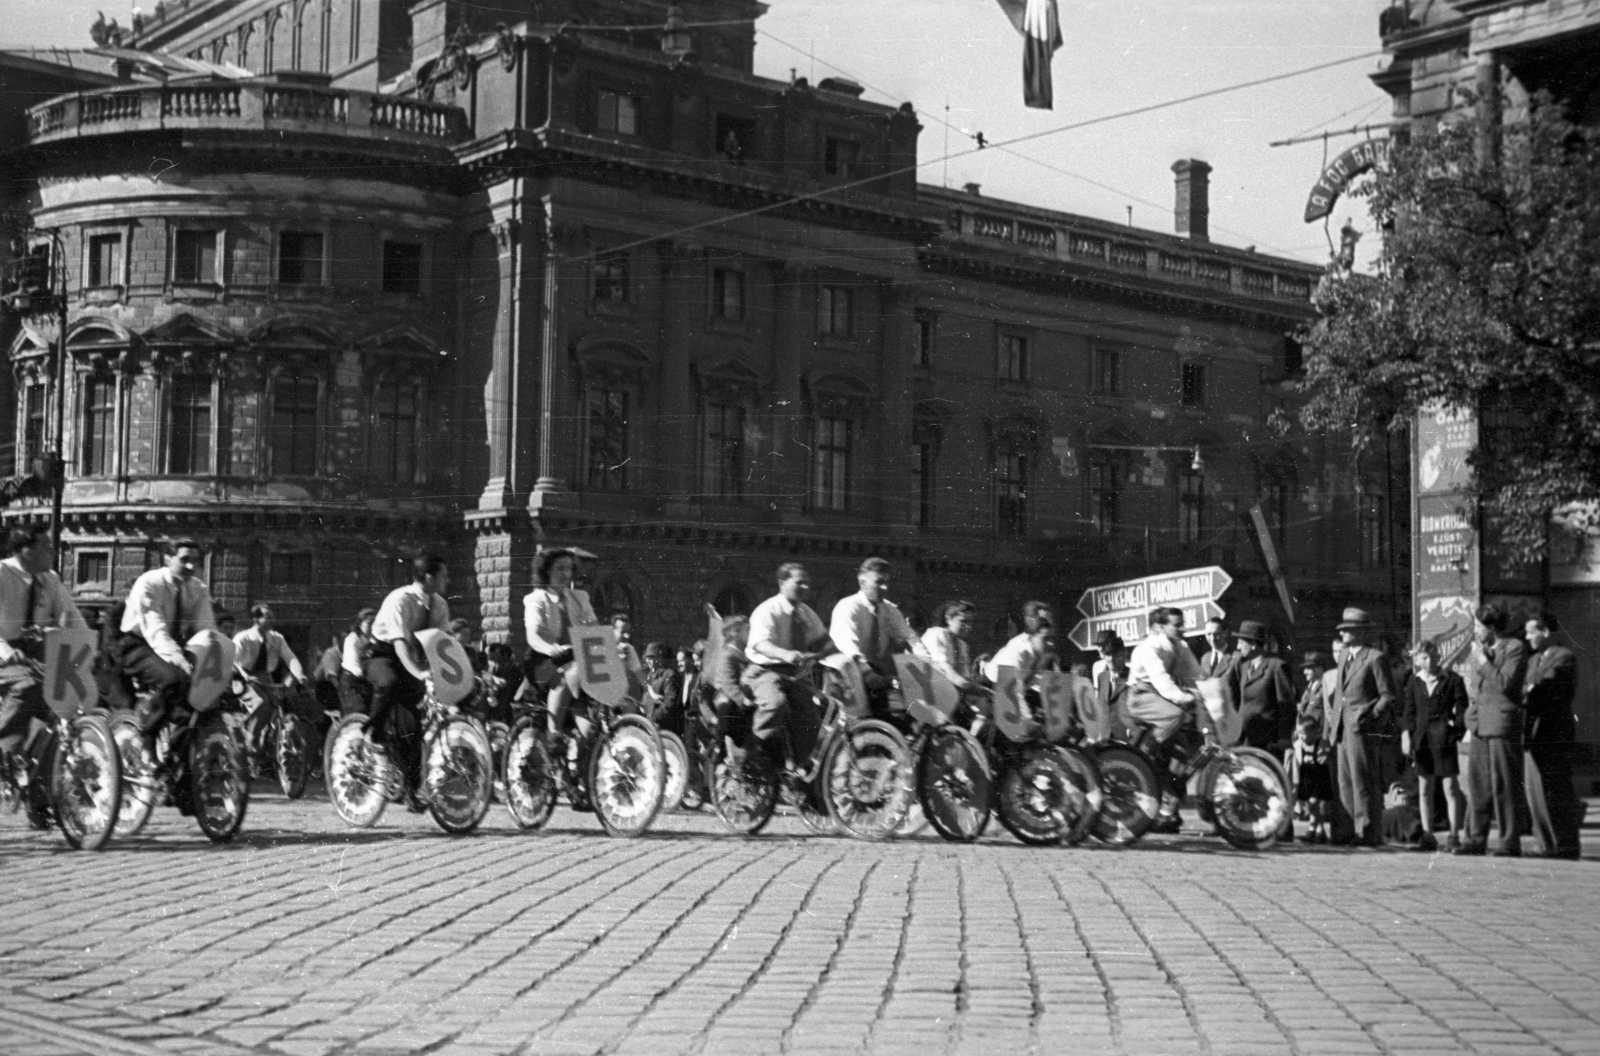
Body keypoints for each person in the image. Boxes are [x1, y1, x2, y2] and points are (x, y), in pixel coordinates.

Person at [0, 526, 87, 825]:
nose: (53, 551)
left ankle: (38, 800)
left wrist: (89, 646)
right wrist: (6, 652)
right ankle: (5, 745)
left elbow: (72, 615)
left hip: (35, 649)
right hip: (4, 651)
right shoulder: (1, 574)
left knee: (60, 709)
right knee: (25, 686)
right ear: (25, 550)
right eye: (47, 547)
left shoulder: (50, 580)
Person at [367, 553, 451, 807]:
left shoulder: (439, 605)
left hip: (412, 660)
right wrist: (418, 673)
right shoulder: (399, 599)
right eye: (444, 575)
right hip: (382, 654)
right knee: (389, 683)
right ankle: (373, 734)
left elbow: (442, 643)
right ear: (429, 577)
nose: (448, 580)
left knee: (412, 726)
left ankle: (411, 791)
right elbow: (400, 643)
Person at [120, 537, 218, 736]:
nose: (191, 566)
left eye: (196, 561)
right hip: (137, 644)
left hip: (174, 644)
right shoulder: (149, 583)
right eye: (184, 559)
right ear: (167, 559)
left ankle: (182, 737)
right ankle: (145, 736)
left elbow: (207, 631)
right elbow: (156, 631)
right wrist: (181, 660)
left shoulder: (198, 588)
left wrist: (220, 661)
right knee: (172, 680)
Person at [744, 563, 834, 768]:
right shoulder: (767, 610)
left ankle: (801, 773)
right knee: (776, 702)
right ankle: (751, 751)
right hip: (765, 671)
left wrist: (829, 653)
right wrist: (786, 654)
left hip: (796, 675)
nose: (805, 587)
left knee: (812, 720)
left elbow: (823, 640)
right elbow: (760, 643)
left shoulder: (806, 613)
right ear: (782, 583)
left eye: (807, 583)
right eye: (799, 582)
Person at [1460, 602, 1530, 857]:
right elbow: (1478, 690)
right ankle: (1474, 838)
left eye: (1478, 626)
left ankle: (1509, 841)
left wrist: (1482, 660)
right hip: (1480, 725)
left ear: (1491, 627)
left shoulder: (1515, 648)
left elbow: (1505, 684)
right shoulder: (1484, 649)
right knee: (1478, 785)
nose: (1475, 631)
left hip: (1501, 725)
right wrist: (1471, 716)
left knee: (1505, 785)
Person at [1125, 607, 1204, 832]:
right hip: (1141, 697)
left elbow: (1195, 674)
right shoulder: (1149, 648)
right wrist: (1185, 697)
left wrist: (1209, 689)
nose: (1182, 628)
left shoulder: (1180, 646)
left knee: (1182, 756)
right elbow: (1162, 682)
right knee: (1176, 716)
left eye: (1182, 623)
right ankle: (1146, 755)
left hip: (1162, 701)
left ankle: (1166, 814)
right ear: (1160, 627)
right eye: (1176, 624)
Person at [1327, 607, 1398, 847]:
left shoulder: (1374, 657)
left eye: (1349, 629)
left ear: (1362, 633)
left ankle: (1369, 832)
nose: (1344, 633)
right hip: (1340, 727)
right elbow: (1339, 693)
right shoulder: (1344, 655)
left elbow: (1388, 695)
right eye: (1344, 629)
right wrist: (1332, 723)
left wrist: (1369, 716)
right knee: (1344, 782)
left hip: (1361, 727)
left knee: (1363, 781)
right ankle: (1345, 831)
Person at [829, 556, 929, 719]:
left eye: (887, 582)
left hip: (873, 671)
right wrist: (867, 673)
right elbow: (848, 647)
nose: (885, 587)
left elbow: (911, 638)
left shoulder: (889, 609)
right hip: (846, 672)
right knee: (860, 720)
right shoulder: (848, 607)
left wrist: (927, 664)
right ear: (862, 583)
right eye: (879, 582)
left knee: (902, 713)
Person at [1523, 614, 1582, 859]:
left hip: (1554, 731)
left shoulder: (1563, 657)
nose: (1527, 638)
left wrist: (1530, 689)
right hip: (1534, 732)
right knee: (1536, 789)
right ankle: (1544, 842)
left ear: (1546, 632)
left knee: (1556, 787)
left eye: (1531, 632)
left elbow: (1545, 687)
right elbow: (1528, 688)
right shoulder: (1535, 659)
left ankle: (1564, 843)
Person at [1400, 639, 1467, 852]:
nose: (1430, 662)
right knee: (1425, 788)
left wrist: (1455, 731)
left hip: (1444, 740)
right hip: (1422, 741)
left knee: (1450, 787)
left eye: (1434, 656)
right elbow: (1409, 712)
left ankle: (1454, 836)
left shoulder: (1452, 679)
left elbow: (1463, 708)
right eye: (1424, 658)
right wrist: (1405, 735)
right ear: (1417, 660)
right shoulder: (1414, 681)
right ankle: (1428, 836)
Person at [523, 548, 597, 737]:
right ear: (546, 570)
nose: (566, 573)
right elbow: (533, 637)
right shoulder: (535, 599)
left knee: (589, 725)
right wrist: (550, 649)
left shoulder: (580, 598)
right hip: (544, 661)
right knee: (564, 680)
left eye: (569, 568)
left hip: (575, 660)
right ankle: (553, 734)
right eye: (559, 568)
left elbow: (594, 630)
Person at [233, 604, 316, 763]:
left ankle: (271, 746)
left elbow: (290, 657)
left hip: (265, 678)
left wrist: (299, 675)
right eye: (268, 617)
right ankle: (250, 738)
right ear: (256, 619)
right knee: (262, 703)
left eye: (273, 617)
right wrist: (245, 676)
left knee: (279, 706)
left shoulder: (276, 638)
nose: (272, 620)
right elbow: (233, 664)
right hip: (242, 679)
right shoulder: (242, 638)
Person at [1225, 620, 1293, 751]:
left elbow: (1286, 706)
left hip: (1267, 742)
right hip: (1244, 739)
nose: (1238, 647)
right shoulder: (1243, 667)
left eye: (1240, 642)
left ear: (1253, 644)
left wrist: (1284, 738)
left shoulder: (1276, 666)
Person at [922, 600, 986, 728]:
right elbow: (945, 669)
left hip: (947, 693)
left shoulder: (962, 645)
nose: (968, 626)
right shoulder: (935, 634)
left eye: (971, 622)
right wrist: (966, 684)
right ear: (948, 618)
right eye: (963, 621)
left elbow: (964, 676)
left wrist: (979, 686)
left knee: (981, 711)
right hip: (925, 690)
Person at [1292, 651, 1334, 844]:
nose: (1306, 672)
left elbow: (1322, 716)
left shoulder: (1322, 690)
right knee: (1309, 793)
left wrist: (1323, 739)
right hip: (1305, 744)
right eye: (1305, 669)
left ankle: (1316, 829)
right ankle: (1316, 829)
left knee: (1316, 794)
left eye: (1310, 668)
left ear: (1319, 669)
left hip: (1316, 744)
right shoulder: (1309, 689)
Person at [339, 608, 376, 716]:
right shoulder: (352, 640)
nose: (372, 627)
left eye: (374, 623)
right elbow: (356, 669)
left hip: (365, 682)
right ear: (359, 623)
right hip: (351, 684)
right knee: (359, 712)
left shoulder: (372, 640)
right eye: (369, 624)